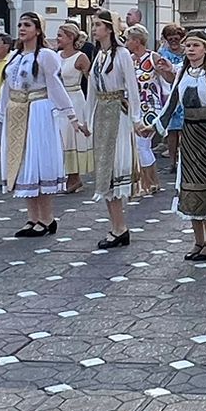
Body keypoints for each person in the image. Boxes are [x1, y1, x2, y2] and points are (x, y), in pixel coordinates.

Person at [2, 13, 82, 237]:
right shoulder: (15, 56)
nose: (22, 28)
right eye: (19, 24)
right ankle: (32, 217)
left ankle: (47, 218)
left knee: (39, 162)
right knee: (23, 164)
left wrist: (71, 116)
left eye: (27, 25)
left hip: (38, 110)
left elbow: (55, 86)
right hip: (17, 111)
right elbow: (6, 89)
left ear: (37, 30)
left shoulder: (46, 55)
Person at [157, 30, 206, 259]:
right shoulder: (182, 72)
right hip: (189, 134)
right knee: (189, 185)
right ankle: (198, 241)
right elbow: (171, 103)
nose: (190, 49)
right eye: (188, 45)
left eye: (195, 45)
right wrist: (154, 126)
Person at [87, 13, 139, 247]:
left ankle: (120, 227)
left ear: (109, 29)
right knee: (104, 170)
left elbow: (132, 86)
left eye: (98, 25)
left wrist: (136, 118)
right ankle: (116, 226)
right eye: (93, 25)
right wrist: (87, 120)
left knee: (115, 167)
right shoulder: (98, 56)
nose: (94, 29)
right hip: (102, 113)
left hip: (117, 112)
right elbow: (91, 91)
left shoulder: (122, 54)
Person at [127, 24, 171, 196]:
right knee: (140, 146)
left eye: (129, 39)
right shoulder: (129, 60)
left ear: (137, 41)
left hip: (151, 107)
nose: (127, 43)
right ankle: (149, 182)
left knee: (142, 145)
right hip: (135, 107)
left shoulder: (153, 57)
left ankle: (149, 182)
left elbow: (167, 78)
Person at [54, 21, 94, 193]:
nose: (57, 39)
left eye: (60, 35)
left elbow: (92, 81)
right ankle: (64, 173)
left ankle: (74, 176)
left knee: (72, 136)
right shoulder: (56, 55)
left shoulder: (81, 57)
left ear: (70, 38)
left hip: (75, 98)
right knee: (60, 136)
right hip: (58, 100)